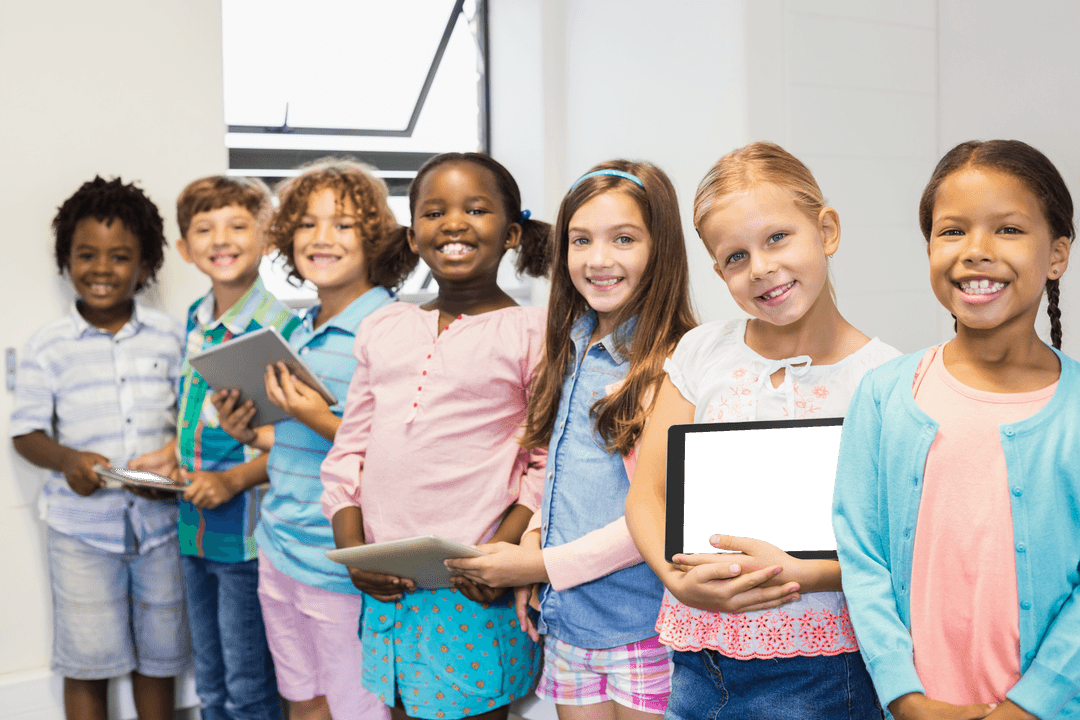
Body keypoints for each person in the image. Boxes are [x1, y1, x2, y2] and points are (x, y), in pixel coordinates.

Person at [624, 142, 899, 719]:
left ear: (826, 230)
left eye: (778, 238)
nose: (762, 268)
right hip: (697, 661)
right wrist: (676, 582)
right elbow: (647, 496)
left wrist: (807, 574)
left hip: (824, 669)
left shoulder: (883, 377)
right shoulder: (702, 352)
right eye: (735, 257)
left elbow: (901, 549)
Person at [833, 140, 1079, 720]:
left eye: (1009, 230)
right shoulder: (884, 394)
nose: (976, 252)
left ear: (1057, 255)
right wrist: (906, 698)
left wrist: (1032, 705)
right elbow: (861, 557)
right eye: (952, 231)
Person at [447, 161, 696, 719]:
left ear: (662, 248)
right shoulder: (572, 343)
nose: (598, 259)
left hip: (642, 626)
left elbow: (657, 518)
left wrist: (539, 566)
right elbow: (557, 470)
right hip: (569, 624)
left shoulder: (676, 363)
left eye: (624, 239)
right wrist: (535, 541)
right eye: (580, 240)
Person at [320, 152, 550, 720]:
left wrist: (503, 556)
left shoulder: (534, 331)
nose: (453, 222)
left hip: (476, 591)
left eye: (476, 209)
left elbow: (545, 464)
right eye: (434, 211)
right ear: (413, 233)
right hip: (387, 589)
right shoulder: (385, 326)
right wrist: (354, 555)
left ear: (512, 233)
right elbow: (349, 451)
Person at [211, 159, 416, 720]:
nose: (322, 238)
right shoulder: (299, 330)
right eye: (306, 224)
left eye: (343, 224)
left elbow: (398, 456)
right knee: (302, 700)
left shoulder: (391, 329)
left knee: (357, 708)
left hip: (340, 564)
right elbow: (300, 445)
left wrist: (318, 412)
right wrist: (251, 432)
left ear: (374, 238)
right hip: (280, 546)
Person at [10, 176, 189, 720]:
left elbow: (190, 420)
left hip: (160, 528)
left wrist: (174, 464)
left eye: (120, 256)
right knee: (87, 660)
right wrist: (69, 460)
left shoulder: (172, 336)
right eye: (86, 255)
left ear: (147, 265)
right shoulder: (47, 346)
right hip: (80, 532)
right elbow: (26, 433)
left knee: (159, 657)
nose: (102, 269)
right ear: (66, 260)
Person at [133, 175, 300, 720]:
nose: (220, 239)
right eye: (204, 229)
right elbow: (199, 414)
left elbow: (297, 445)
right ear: (185, 248)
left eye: (237, 225)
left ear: (268, 238)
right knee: (210, 677)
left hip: (249, 540)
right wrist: (169, 456)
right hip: (194, 530)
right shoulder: (196, 321)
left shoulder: (280, 328)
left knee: (249, 684)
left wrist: (231, 480)